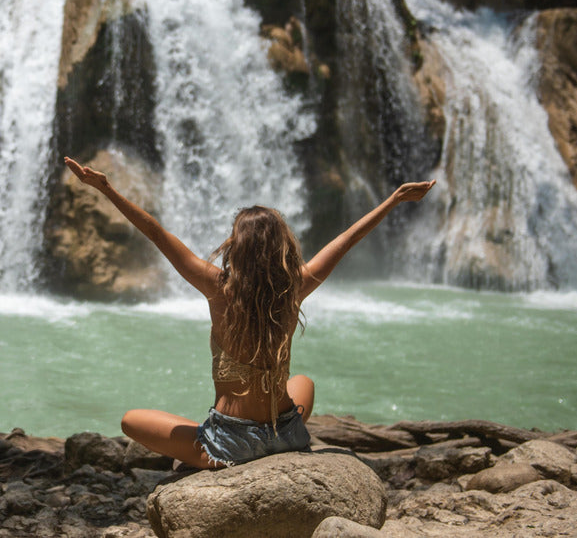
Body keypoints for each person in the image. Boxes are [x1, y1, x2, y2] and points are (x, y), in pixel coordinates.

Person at [63, 156, 435, 469]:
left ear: (235, 247)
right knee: (303, 382)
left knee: (131, 421)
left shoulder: (216, 286)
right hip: (287, 434)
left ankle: (208, 440)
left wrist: (106, 188)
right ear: (282, 247)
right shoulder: (296, 286)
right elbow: (348, 239)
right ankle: (262, 436)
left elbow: (156, 233)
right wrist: (394, 200)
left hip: (231, 443)